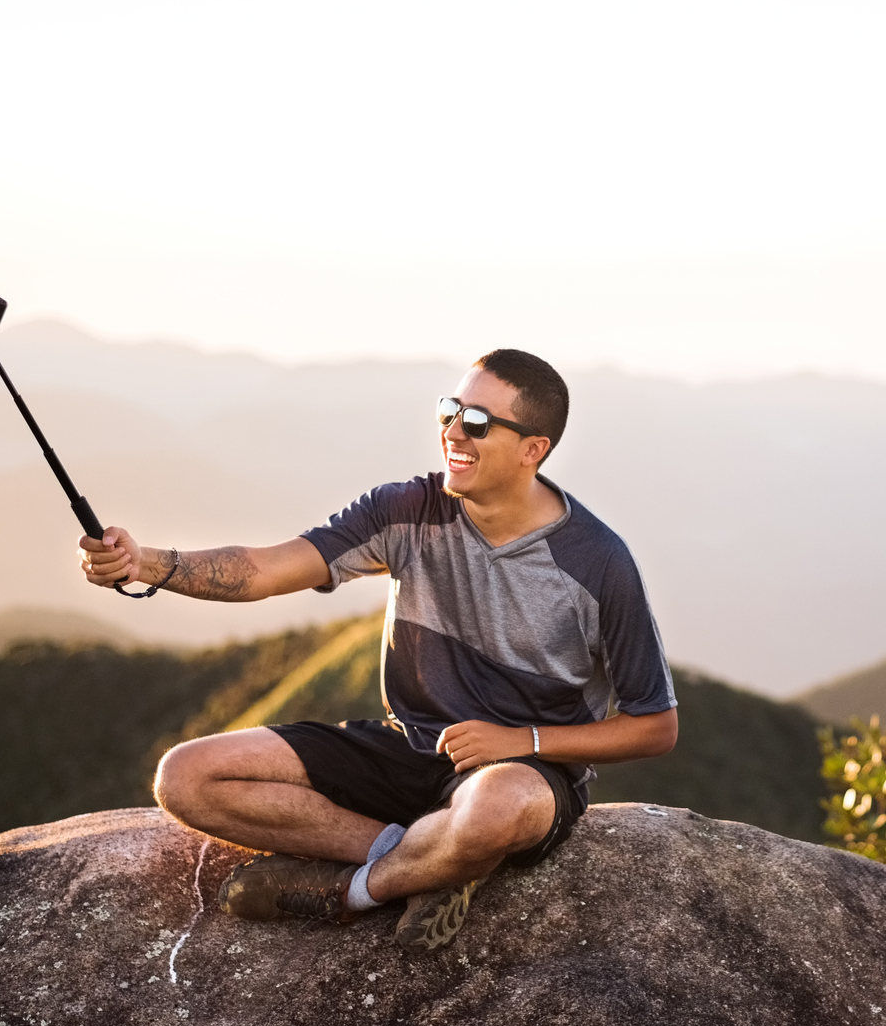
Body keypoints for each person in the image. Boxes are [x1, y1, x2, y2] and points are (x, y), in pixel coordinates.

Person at [78, 349, 679, 950]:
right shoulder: (407, 509)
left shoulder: (598, 563)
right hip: (407, 744)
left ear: (533, 450)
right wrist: (146, 563)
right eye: (451, 410)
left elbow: (656, 725)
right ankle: (429, 860)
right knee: (186, 776)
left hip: (524, 772)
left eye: (477, 423)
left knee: (495, 805)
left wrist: (524, 742)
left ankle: (352, 892)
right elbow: (265, 569)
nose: (452, 432)